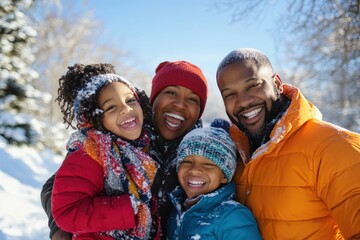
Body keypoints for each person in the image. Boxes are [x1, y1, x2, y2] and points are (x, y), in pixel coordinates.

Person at [40, 60, 208, 239]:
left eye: (192, 99)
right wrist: (59, 232)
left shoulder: (207, 153)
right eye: (171, 92)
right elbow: (56, 189)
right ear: (153, 98)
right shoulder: (116, 139)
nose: (180, 104)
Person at [216, 48, 360, 239]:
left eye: (253, 85)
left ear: (276, 83)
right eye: (229, 94)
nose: (243, 101)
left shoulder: (334, 147)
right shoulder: (233, 157)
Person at [50, 63, 160, 239]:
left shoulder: (143, 147)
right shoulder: (89, 154)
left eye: (130, 100)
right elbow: (66, 211)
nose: (126, 109)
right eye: (111, 107)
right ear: (94, 119)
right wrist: (128, 209)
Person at [167, 118, 262, 240]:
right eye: (187, 161)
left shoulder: (233, 217)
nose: (194, 170)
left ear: (224, 176)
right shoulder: (176, 210)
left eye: (208, 164)